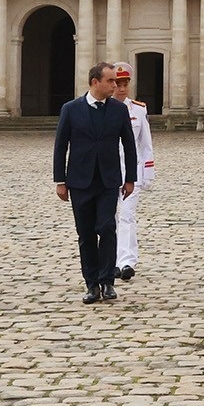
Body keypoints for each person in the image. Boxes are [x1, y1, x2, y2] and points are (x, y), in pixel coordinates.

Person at [53, 62, 137, 305]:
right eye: (110, 81)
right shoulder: (71, 109)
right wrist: (60, 180)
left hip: (109, 180)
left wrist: (130, 178)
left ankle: (107, 280)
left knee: (107, 228)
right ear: (94, 82)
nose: (115, 85)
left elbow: (129, 145)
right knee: (86, 234)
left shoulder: (118, 110)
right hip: (80, 180)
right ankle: (91, 284)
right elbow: (61, 146)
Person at [112, 62, 155, 281]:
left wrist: (147, 173)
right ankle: (112, 261)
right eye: (118, 84)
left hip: (131, 173)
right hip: (108, 173)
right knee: (110, 219)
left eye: (125, 84)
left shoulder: (138, 109)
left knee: (127, 216)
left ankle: (127, 261)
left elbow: (145, 144)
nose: (121, 88)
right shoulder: (103, 109)